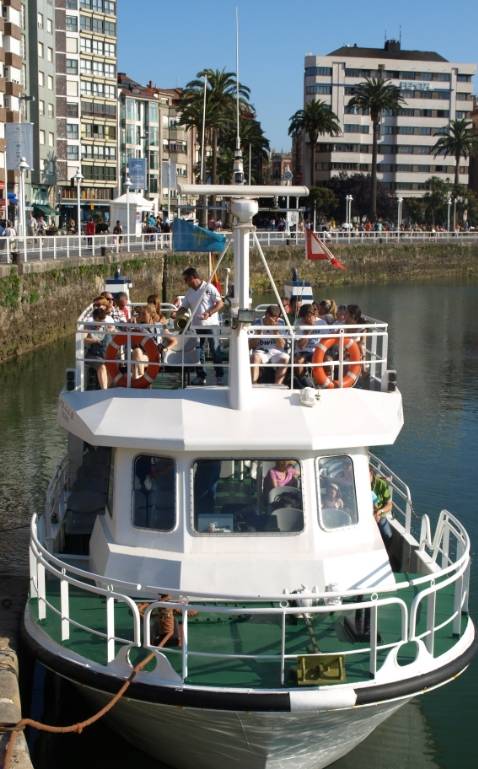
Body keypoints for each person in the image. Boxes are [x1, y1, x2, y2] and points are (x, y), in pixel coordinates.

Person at [175, 267, 224, 385]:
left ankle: (219, 376)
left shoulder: (209, 288)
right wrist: (177, 314)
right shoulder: (189, 293)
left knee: (215, 350)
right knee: (198, 352)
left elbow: (220, 303)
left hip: (212, 325)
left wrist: (209, 313)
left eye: (186, 280)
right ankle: (201, 376)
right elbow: (184, 307)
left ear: (192, 278)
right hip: (197, 327)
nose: (185, 282)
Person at [249, 305, 289, 385]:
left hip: (276, 351)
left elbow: (282, 345)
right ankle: (254, 384)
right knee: (254, 357)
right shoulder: (256, 323)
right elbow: (250, 346)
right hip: (261, 351)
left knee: (286, 358)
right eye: (274, 317)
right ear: (267, 315)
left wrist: (276, 332)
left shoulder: (280, 322)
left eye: (277, 317)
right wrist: (258, 335)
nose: (275, 319)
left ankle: (278, 385)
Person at [370, 467, 393, 544]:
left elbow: (389, 504)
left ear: (371, 474)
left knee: (388, 535)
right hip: (364, 514)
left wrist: (380, 511)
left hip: (379, 513)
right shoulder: (357, 483)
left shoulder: (381, 483)